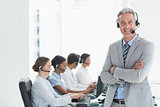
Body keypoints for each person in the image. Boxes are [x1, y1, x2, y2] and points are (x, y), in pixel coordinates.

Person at [100, 8, 155, 107]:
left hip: (137, 103)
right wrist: (128, 75)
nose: (126, 26)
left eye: (130, 22)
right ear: (118, 25)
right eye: (123, 23)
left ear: (136, 24)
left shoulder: (147, 46)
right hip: (112, 103)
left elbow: (138, 77)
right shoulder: (113, 47)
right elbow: (104, 75)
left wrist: (115, 71)